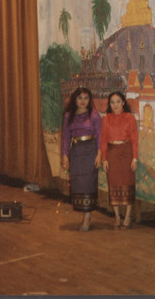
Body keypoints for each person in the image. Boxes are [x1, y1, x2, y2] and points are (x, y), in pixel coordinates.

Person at [61, 87, 102, 232]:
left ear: (90, 100)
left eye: (86, 98)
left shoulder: (94, 115)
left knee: (88, 182)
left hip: (90, 151)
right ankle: (86, 213)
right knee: (78, 182)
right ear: (75, 100)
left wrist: (99, 154)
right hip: (76, 152)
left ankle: (87, 215)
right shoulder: (68, 116)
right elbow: (66, 137)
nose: (83, 101)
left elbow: (100, 136)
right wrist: (65, 155)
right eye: (80, 98)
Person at [101, 91, 139, 229]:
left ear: (123, 102)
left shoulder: (130, 118)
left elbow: (135, 139)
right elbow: (103, 140)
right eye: (112, 102)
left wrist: (135, 158)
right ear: (109, 104)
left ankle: (128, 216)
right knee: (113, 184)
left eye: (118, 101)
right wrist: (104, 159)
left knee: (128, 183)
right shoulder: (106, 119)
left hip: (127, 152)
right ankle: (117, 216)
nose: (115, 105)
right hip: (112, 153)